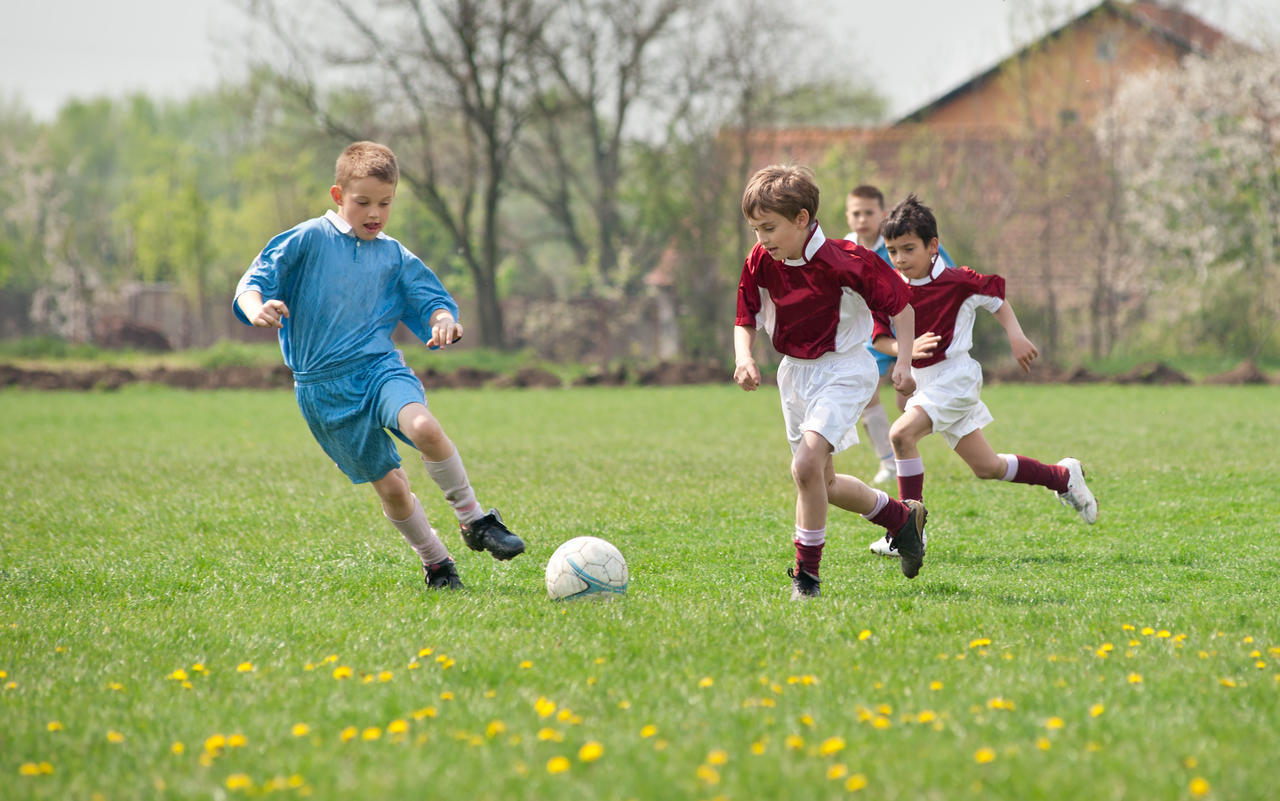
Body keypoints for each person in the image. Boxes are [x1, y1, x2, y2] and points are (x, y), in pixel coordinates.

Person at [233, 141, 525, 592]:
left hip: (378, 369)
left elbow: (432, 301)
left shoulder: (392, 254)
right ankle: (436, 563)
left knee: (425, 427)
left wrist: (444, 320)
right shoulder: (308, 239)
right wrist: (256, 308)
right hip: (323, 392)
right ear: (337, 196)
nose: (375, 213)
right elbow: (253, 282)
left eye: (385, 203)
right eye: (363, 202)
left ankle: (476, 520)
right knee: (391, 488)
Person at [733, 164, 930, 596]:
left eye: (769, 227)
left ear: (802, 219)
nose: (761, 239)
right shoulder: (762, 260)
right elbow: (745, 313)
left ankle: (807, 578)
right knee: (823, 483)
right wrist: (744, 356)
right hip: (795, 375)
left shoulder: (848, 260)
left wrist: (904, 364)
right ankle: (901, 519)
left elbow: (903, 306)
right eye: (755, 229)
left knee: (803, 467)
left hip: (844, 369)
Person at [864, 193, 1097, 559]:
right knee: (987, 467)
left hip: (954, 379)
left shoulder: (959, 281)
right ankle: (1063, 477)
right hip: (924, 384)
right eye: (892, 251)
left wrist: (1016, 336)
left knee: (900, 434)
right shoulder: (889, 287)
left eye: (908, 249)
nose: (900, 259)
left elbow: (997, 301)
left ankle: (908, 530)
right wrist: (904, 353)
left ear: (933, 246)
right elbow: (879, 338)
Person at [843, 184, 954, 486]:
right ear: (848, 217)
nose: (862, 218)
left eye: (869, 212)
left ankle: (932, 432)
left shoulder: (904, 239)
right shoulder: (845, 250)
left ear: (882, 214)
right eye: (856, 213)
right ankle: (888, 462)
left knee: (905, 404)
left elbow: (947, 277)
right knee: (867, 394)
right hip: (874, 333)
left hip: (915, 330)